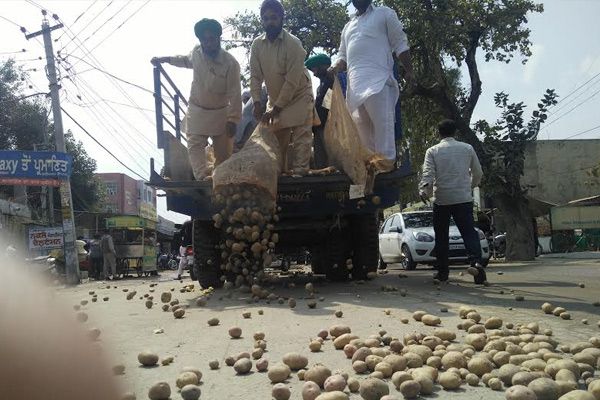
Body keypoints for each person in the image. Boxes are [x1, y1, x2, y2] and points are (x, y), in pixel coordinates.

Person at [152, 19, 242, 180]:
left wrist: (233, 120)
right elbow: (185, 60)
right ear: (200, 41)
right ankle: (201, 177)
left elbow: (235, 93)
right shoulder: (197, 53)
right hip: (197, 110)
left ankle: (219, 178)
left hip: (220, 113)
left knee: (224, 157)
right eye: (204, 40)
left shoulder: (231, 63)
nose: (208, 44)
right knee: (194, 143)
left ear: (218, 38)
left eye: (211, 39)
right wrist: (165, 59)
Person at [329, 0, 414, 163]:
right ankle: (368, 178)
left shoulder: (385, 13)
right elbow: (342, 56)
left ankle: (385, 168)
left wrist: (409, 70)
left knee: (384, 131)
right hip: (354, 90)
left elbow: (400, 43)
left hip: (379, 83)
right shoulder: (348, 26)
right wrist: (333, 69)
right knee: (363, 141)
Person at [250, 0, 314, 175]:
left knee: (302, 134)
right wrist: (256, 103)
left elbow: (292, 82)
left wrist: (276, 108)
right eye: (265, 18)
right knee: (277, 139)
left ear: (281, 18)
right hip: (275, 98)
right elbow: (255, 77)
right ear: (261, 21)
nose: (270, 22)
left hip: (299, 93)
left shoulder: (294, 44)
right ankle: (278, 173)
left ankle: (301, 173)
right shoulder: (256, 45)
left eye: (273, 17)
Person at [419, 119, 486, 284]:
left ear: (438, 133)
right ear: (455, 132)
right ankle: (476, 265)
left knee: (442, 236)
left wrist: (424, 191)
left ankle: (442, 272)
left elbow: (428, 174)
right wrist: (469, 187)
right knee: (469, 233)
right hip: (463, 198)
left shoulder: (433, 151)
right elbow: (478, 173)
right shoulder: (467, 148)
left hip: (442, 199)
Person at [304, 53, 347, 168]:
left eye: (315, 69)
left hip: (327, 125)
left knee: (328, 155)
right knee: (320, 155)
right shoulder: (321, 85)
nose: (314, 73)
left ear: (323, 66)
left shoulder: (331, 81)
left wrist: (320, 120)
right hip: (319, 124)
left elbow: (327, 104)